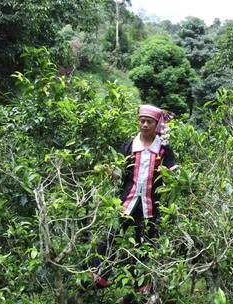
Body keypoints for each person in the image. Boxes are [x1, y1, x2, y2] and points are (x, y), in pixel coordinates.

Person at [83, 104, 177, 303]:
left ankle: (140, 289)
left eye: (148, 122)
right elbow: (120, 173)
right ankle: (98, 276)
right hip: (127, 200)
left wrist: (174, 176)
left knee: (146, 244)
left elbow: (173, 172)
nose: (144, 124)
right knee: (111, 237)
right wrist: (109, 172)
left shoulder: (163, 148)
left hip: (151, 205)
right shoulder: (129, 146)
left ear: (156, 124)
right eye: (142, 120)